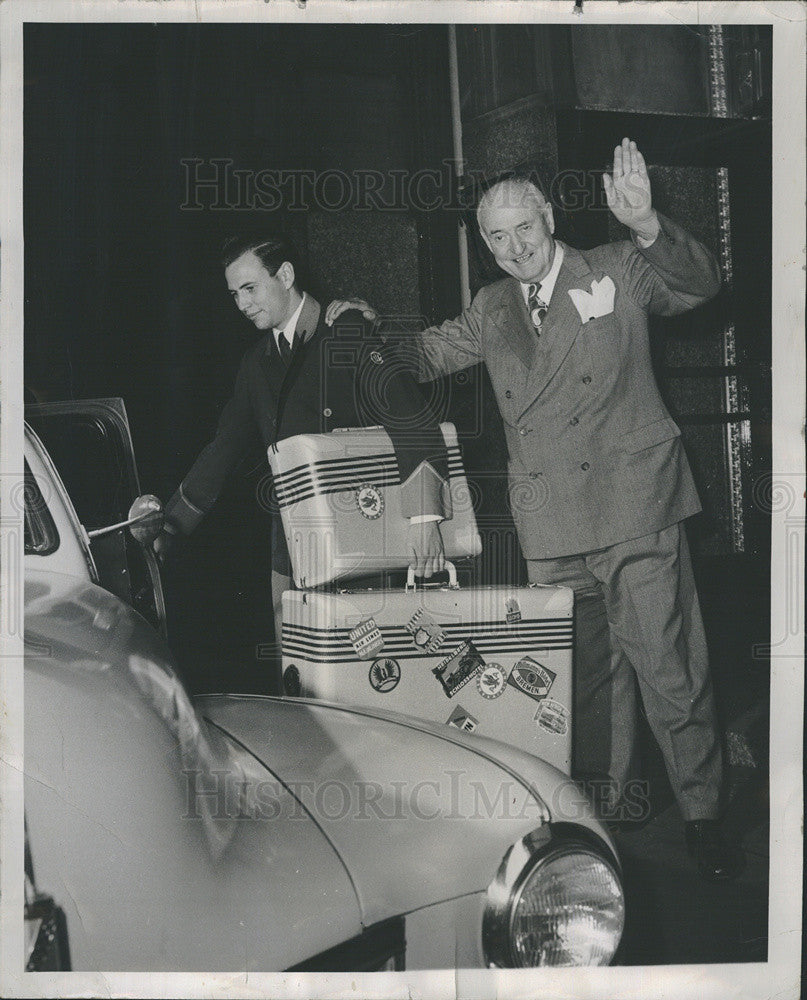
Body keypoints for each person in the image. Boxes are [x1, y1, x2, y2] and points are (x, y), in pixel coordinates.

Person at [325, 138, 741, 880]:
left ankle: (704, 812)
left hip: (635, 502)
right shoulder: (491, 308)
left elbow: (701, 283)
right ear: (483, 244)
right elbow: (422, 355)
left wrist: (647, 224)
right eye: (496, 236)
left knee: (667, 668)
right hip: (552, 522)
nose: (514, 246)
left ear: (547, 216)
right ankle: (612, 808)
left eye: (524, 227)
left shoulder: (615, 266)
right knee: (588, 681)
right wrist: (360, 326)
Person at [154, 233, 448, 685]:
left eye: (250, 288)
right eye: (234, 294)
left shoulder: (346, 330)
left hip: (359, 535)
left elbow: (412, 419)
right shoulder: (256, 362)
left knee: (367, 674)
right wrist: (172, 524)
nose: (242, 304)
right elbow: (224, 447)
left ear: (285, 275)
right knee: (300, 670)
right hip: (289, 542)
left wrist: (425, 519)